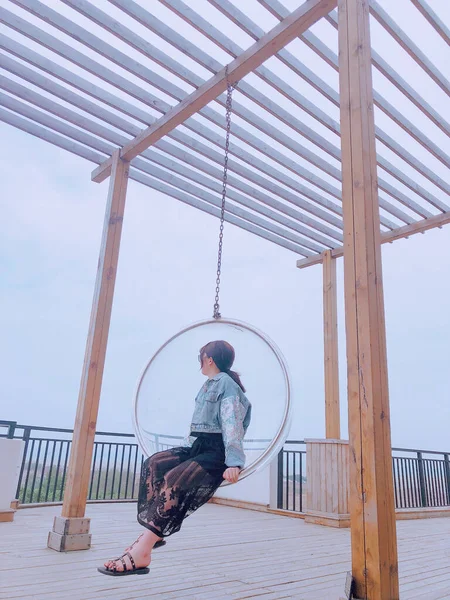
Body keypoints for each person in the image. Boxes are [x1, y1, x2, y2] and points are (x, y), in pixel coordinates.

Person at [98, 340, 252, 576]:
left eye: (201, 357)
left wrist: (234, 462)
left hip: (216, 452)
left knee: (174, 480)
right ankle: (154, 533)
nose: (200, 361)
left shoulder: (227, 385)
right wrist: (187, 451)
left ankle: (143, 550)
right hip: (198, 446)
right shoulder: (207, 385)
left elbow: (232, 426)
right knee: (154, 464)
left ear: (209, 359)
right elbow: (198, 425)